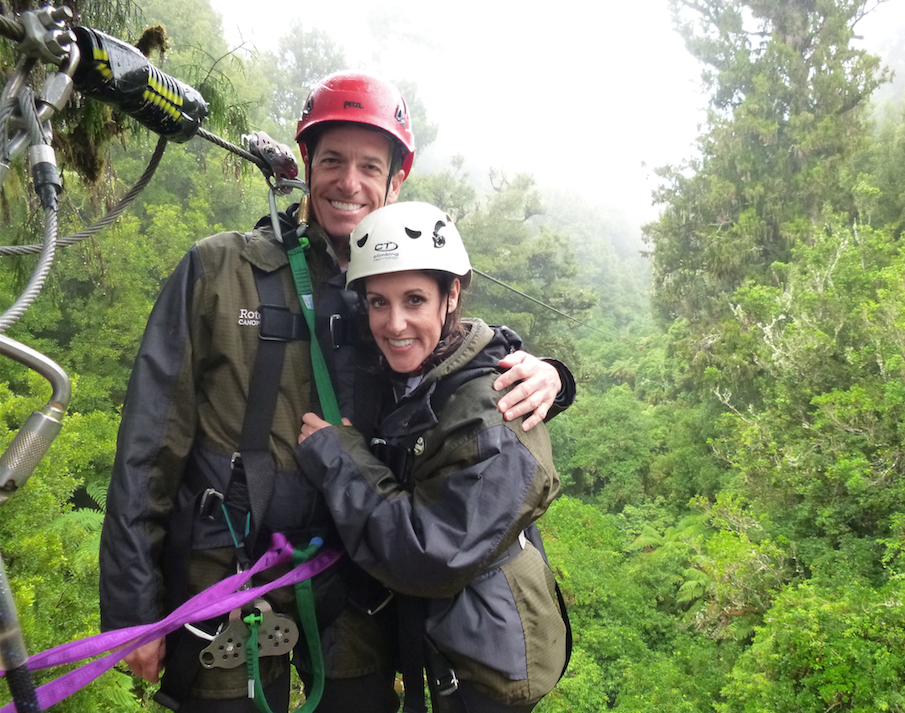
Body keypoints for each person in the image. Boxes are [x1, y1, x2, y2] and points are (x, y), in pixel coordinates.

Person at [98, 71, 573, 713]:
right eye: (332, 161)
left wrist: (549, 373)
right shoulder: (220, 272)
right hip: (228, 575)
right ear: (306, 163)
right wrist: (132, 607)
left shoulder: (400, 285)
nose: (349, 183)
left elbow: (461, 367)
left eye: (369, 167)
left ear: (393, 181)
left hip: (359, 582)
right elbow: (148, 448)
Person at [296, 201, 569, 713]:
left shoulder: (497, 413)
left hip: (488, 666)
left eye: (415, 299)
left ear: (451, 297)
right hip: (441, 641)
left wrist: (339, 457)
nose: (394, 323)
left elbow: (428, 554)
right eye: (378, 302)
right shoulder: (415, 376)